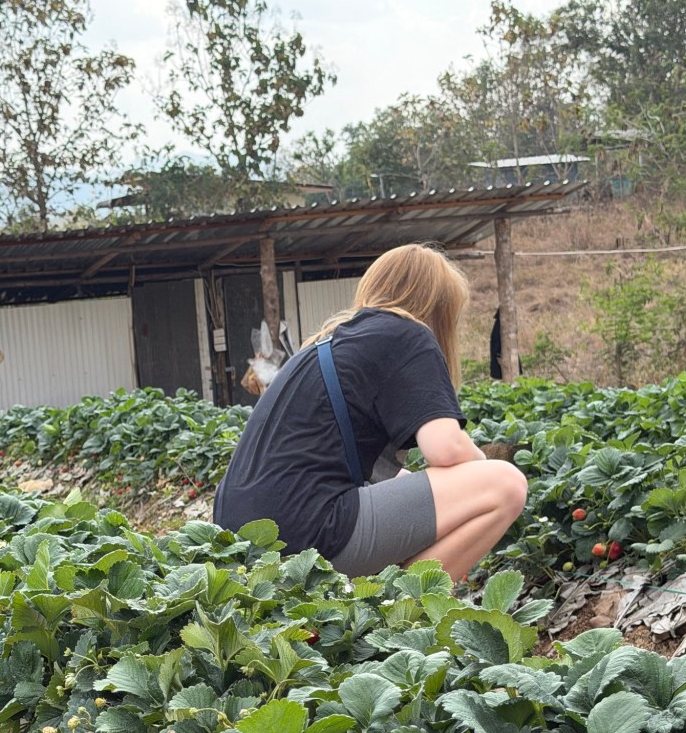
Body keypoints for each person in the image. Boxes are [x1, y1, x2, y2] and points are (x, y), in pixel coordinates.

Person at [213, 243, 527, 581]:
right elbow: (446, 448)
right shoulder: (408, 333)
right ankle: (405, 609)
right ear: (440, 309)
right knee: (506, 485)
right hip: (306, 533)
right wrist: (482, 473)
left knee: (417, 487)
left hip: (240, 541)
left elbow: (379, 476)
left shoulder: (324, 345)